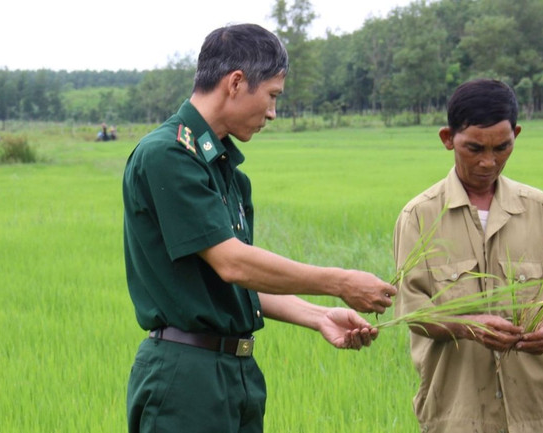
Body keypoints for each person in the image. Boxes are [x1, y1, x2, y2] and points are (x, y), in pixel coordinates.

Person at [122, 23, 396, 433]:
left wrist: (319, 315)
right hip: (187, 377)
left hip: (236, 373)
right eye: (271, 96)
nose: (272, 112)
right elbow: (234, 263)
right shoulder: (168, 155)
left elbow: (237, 285)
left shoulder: (227, 171)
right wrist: (340, 281)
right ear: (236, 83)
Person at [393, 79, 543, 433]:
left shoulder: (542, 210)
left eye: (502, 147)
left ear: (516, 134)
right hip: (457, 412)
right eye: (474, 148)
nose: (488, 162)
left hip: (538, 410)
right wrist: (467, 326)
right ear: (447, 139)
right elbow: (414, 313)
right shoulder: (419, 217)